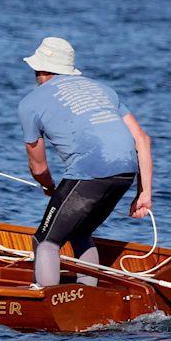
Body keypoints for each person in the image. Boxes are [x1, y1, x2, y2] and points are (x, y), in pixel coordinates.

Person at [17, 37, 153, 287]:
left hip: (89, 172)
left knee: (45, 241)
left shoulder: (30, 104)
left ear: (41, 69)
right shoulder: (103, 89)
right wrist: (144, 193)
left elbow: (38, 168)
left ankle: (46, 305)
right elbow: (142, 140)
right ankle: (87, 301)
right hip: (126, 171)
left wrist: (49, 188)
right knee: (80, 233)